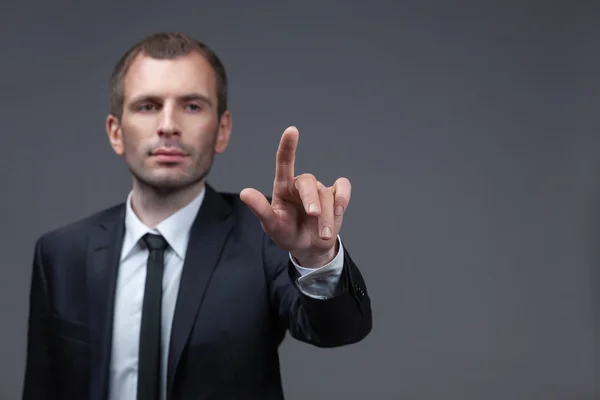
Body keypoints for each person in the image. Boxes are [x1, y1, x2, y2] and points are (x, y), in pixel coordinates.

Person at [22, 32, 372, 400]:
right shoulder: (60, 254)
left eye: (192, 106)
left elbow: (338, 331)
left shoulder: (264, 236)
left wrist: (316, 258)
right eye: (147, 106)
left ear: (222, 131)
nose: (168, 125)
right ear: (116, 132)